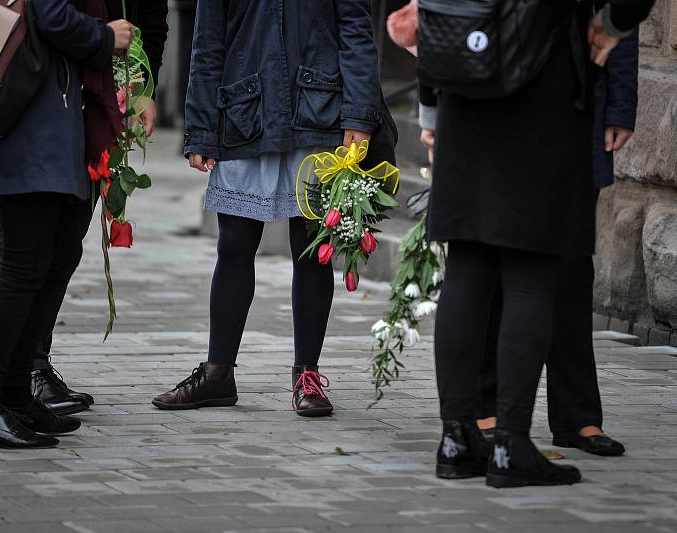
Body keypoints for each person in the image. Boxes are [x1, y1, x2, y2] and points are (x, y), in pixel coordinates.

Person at [421, 0, 653, 488]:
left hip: (465, 69)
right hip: (544, 79)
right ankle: (510, 446)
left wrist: (430, 100)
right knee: (530, 271)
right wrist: (615, 23)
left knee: (468, 262)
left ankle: (457, 440)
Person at [151, 0, 383, 417]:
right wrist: (201, 128)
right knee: (234, 244)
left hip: (319, 114)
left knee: (312, 250)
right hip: (244, 112)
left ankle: (306, 377)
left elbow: (355, 31)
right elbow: (207, 44)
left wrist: (360, 115)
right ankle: (218, 374)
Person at [0, 1, 135, 448]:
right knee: (21, 267)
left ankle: (14, 396)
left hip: (50, 116)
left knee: (47, 261)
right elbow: (50, 13)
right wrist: (105, 38)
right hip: (25, 118)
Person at [0, 0, 169, 417]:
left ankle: (16, 387)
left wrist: (138, 86)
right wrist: (104, 38)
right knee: (18, 256)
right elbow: (49, 15)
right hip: (27, 95)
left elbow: (150, 17)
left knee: (60, 248)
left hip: (82, 101)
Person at [475, 25, 640, 460]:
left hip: (575, 107)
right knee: (494, 257)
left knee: (569, 267)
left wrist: (620, 103)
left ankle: (577, 414)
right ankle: (485, 405)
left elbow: (620, 14)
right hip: (497, 106)